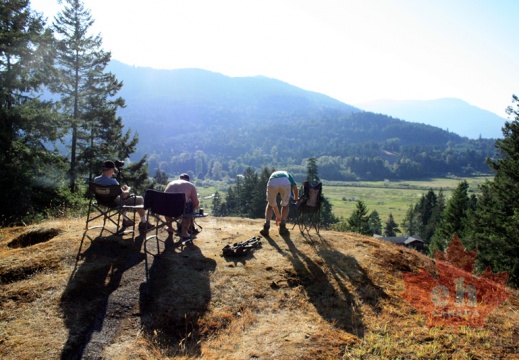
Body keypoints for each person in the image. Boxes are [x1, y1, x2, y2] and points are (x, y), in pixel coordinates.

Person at [93, 160, 154, 231]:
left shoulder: (96, 179)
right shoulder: (112, 181)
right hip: (114, 203)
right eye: (113, 170)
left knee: (122, 199)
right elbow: (123, 196)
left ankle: (126, 220)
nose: (113, 173)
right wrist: (127, 190)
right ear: (110, 170)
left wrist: (120, 190)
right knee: (140, 199)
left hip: (102, 202)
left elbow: (108, 190)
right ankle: (144, 222)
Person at [260, 170, 298, 236]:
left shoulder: (273, 175)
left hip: (272, 182)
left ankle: (266, 227)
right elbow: (295, 188)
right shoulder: (288, 175)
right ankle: (282, 227)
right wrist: (296, 198)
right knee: (285, 205)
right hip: (285, 182)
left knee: (270, 204)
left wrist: (278, 216)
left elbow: (273, 204)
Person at [164, 173, 200, 242]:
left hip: (165, 209)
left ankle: (170, 227)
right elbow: (195, 203)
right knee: (190, 208)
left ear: (179, 178)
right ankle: (184, 232)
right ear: (188, 180)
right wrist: (194, 207)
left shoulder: (170, 183)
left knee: (168, 204)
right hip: (181, 210)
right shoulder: (190, 185)